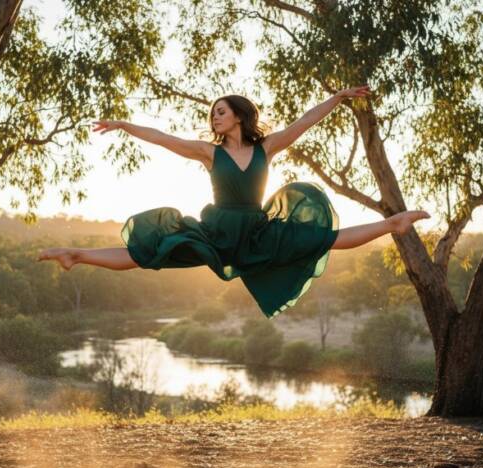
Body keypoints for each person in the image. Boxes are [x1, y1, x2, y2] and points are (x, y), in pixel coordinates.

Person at [39, 87, 430, 318]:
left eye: (221, 112)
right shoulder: (209, 153)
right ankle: (77, 254)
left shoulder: (267, 147)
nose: (215, 118)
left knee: (320, 236)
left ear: (240, 116)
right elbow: (163, 138)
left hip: (257, 233)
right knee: (152, 250)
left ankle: (391, 224)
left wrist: (338, 98)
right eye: (213, 114)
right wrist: (125, 126)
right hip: (217, 233)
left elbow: (305, 122)